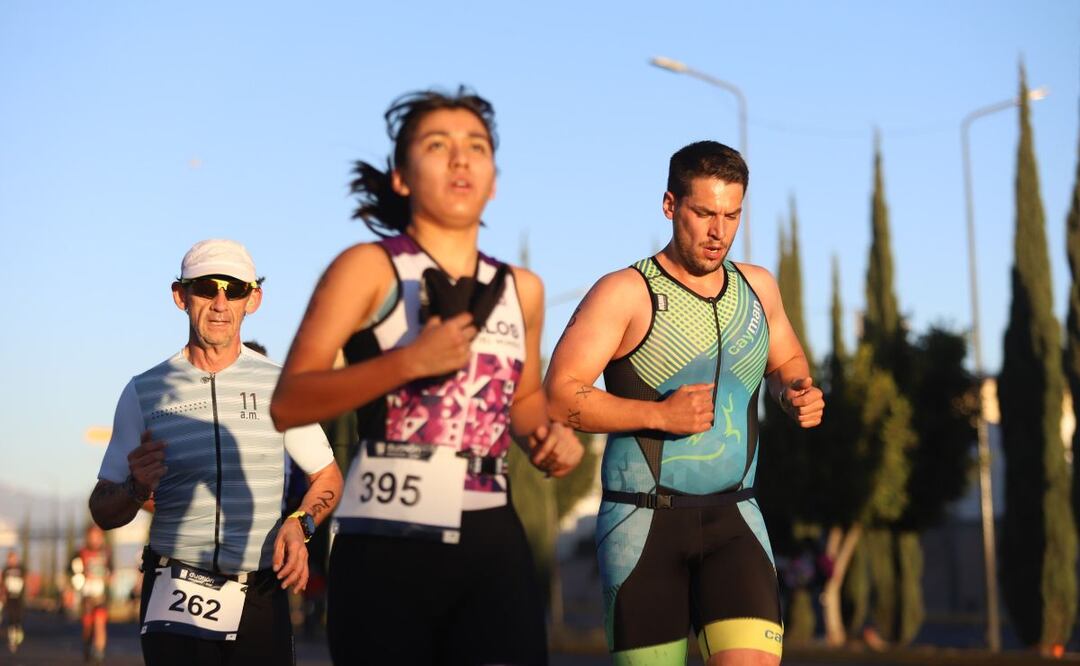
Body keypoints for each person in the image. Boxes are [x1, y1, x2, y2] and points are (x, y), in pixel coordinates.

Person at [270, 87, 584, 665]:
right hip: (386, 539)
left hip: (491, 533)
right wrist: (408, 362)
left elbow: (525, 399)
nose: (461, 159)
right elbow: (289, 403)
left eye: (476, 147)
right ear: (401, 177)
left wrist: (549, 437)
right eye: (437, 145)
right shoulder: (367, 268)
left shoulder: (525, 290)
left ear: (493, 179)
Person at [544, 141, 824, 666]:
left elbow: (788, 362)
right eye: (703, 213)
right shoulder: (624, 293)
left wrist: (796, 393)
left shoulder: (758, 287)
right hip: (643, 525)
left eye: (732, 215)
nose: (718, 231)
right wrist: (657, 415)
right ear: (670, 205)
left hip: (737, 517)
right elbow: (560, 395)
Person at [89, 239, 343, 666]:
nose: (221, 302)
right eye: (207, 287)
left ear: (253, 300)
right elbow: (102, 508)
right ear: (181, 296)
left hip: (259, 589)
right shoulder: (143, 391)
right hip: (173, 587)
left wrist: (301, 524)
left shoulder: (280, 384)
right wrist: (135, 489)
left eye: (236, 289)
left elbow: (328, 477)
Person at [72, 524, 112, 664]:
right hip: (87, 595)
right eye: (92, 536)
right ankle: (87, 645)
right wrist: (81, 577)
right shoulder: (81, 553)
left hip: (100, 596)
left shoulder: (106, 553)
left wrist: (108, 578)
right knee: (88, 625)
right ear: (88, 537)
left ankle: (99, 652)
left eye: (98, 536)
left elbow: (111, 572)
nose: (95, 539)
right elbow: (73, 572)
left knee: (100, 623)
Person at [1, 550, 26, 654]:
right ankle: (12, 640)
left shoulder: (21, 569)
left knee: (18, 618)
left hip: (19, 598)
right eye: (10, 558)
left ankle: (18, 633)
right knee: (11, 618)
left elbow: (25, 580)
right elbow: (2, 583)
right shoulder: (6, 570)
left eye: (14, 558)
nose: (12, 560)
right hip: (9, 598)